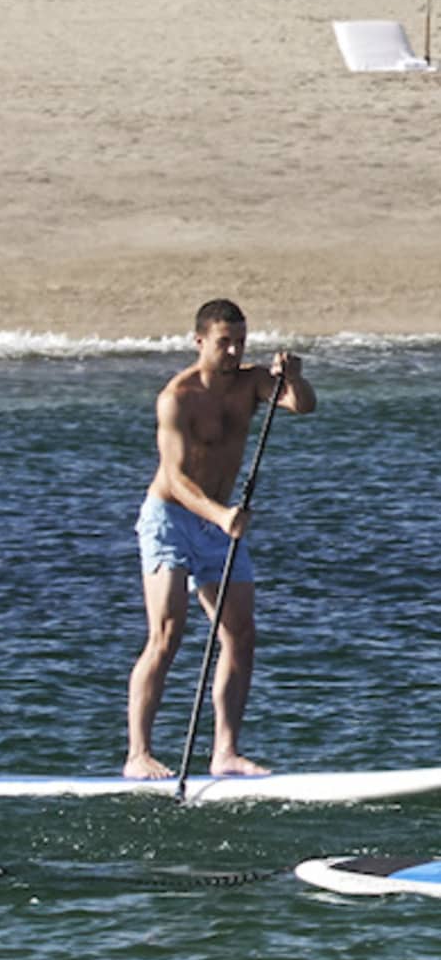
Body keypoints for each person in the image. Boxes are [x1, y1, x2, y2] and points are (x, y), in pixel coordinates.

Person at [125, 300, 315, 779]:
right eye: (223, 342)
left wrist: (293, 375)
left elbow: (303, 406)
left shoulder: (251, 382)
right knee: (167, 635)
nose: (233, 351)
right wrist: (220, 514)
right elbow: (175, 477)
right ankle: (138, 754)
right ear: (199, 342)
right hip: (170, 518)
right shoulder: (177, 397)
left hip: (220, 523)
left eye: (240, 342)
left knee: (240, 635)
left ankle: (225, 752)